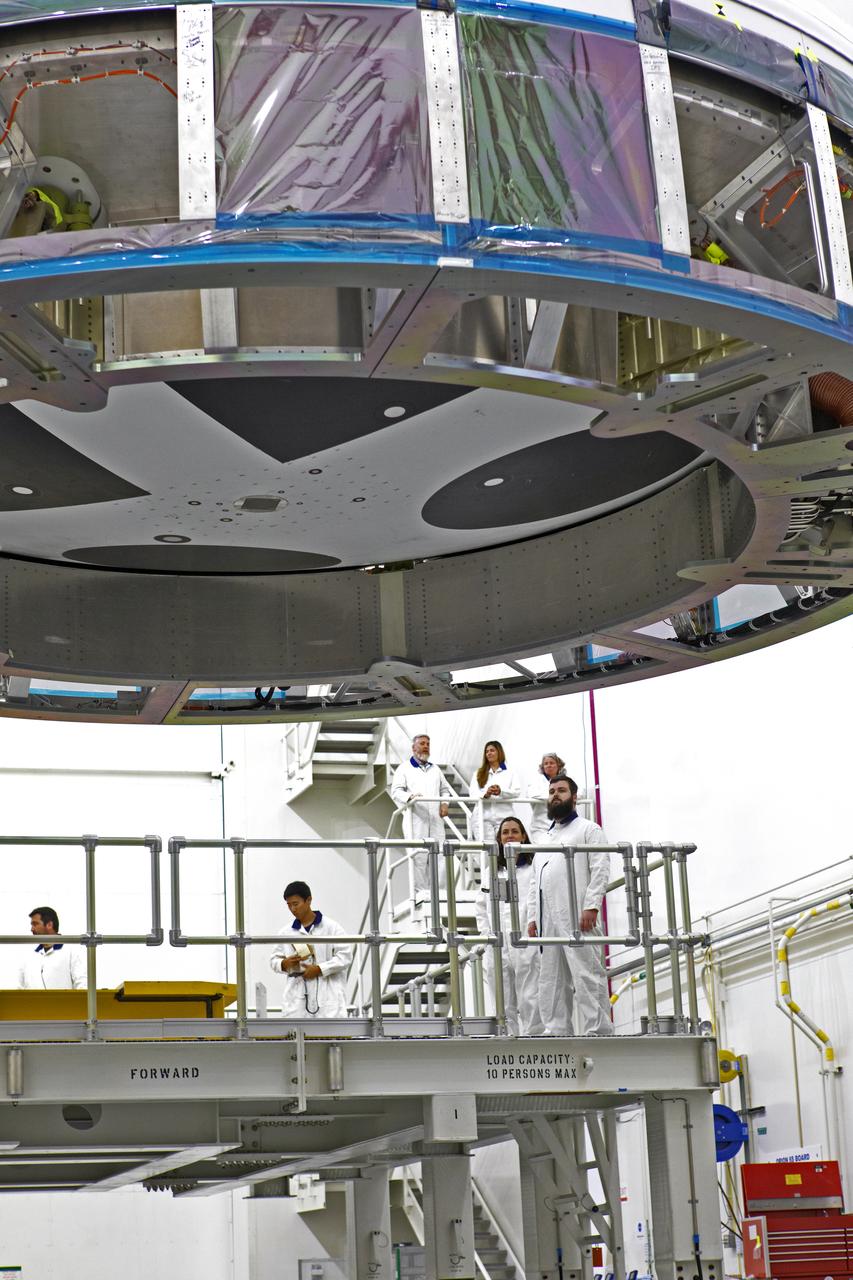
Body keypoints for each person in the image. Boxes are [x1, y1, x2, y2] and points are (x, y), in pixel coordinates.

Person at [526, 775, 612, 1037]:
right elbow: (535, 881)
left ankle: (599, 1031)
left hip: (577, 914)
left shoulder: (589, 830)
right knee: (550, 978)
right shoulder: (545, 838)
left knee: (587, 973)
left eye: (561, 790)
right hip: (548, 920)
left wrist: (592, 906)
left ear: (574, 797)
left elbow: (600, 867)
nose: (555, 795)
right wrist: (533, 917)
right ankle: (557, 1030)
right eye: (552, 791)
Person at [476, 816, 543, 1037]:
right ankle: (507, 1041)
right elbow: (480, 907)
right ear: (499, 839)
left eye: (515, 831)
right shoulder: (491, 872)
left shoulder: (533, 868)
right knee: (502, 1000)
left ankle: (534, 1039)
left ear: (523, 836)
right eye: (505, 832)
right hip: (497, 943)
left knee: (530, 996)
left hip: (525, 939)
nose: (510, 836)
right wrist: (486, 936)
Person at [270, 881, 353, 1018]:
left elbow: (345, 956)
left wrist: (320, 969)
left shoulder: (332, 927)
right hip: (297, 1005)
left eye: (295, 904)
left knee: (331, 1031)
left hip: (328, 1004)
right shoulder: (286, 932)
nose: (292, 909)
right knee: (296, 1030)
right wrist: (284, 964)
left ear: (308, 900)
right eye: (289, 905)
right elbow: (274, 960)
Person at [390, 734, 451, 900]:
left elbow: (445, 790)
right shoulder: (404, 768)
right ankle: (421, 895)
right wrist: (410, 797)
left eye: (428, 744)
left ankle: (439, 894)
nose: (425, 746)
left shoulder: (435, 769)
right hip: (415, 820)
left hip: (436, 821)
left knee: (439, 857)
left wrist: (445, 804)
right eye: (422, 743)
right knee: (418, 858)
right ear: (413, 748)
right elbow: (396, 791)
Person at [467, 741, 521, 845]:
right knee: (487, 850)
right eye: (487, 751)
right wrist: (486, 794)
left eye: (492, 750)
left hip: (504, 817)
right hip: (482, 818)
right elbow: (472, 794)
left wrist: (501, 791)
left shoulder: (510, 772)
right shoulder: (478, 773)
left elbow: (517, 791)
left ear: (499, 752)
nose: (489, 753)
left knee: (506, 849)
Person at [18, 906, 84, 989]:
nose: (32, 929)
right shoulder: (29, 956)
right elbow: (19, 988)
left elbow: (82, 984)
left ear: (49, 925)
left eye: (35, 924)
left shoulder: (72, 951)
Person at [527, 752, 566, 839]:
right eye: (546, 763)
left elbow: (578, 793)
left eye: (552, 763)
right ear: (542, 767)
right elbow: (532, 794)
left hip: (563, 824)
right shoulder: (536, 780)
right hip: (540, 825)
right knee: (543, 846)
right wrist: (560, 795)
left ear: (558, 765)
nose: (549, 765)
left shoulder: (567, 779)